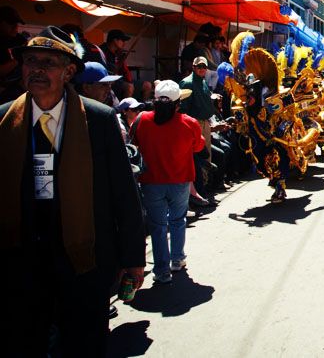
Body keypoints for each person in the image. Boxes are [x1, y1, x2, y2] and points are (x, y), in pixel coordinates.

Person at [0, 26, 145, 356]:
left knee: (84, 344)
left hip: (86, 263)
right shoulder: (4, 121)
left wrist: (133, 258)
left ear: (68, 72)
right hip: (21, 264)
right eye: (30, 61)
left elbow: (124, 194)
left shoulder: (99, 120)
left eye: (48, 63)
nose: (36, 69)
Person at [132, 80, 204, 284]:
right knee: (177, 220)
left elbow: (133, 143)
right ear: (177, 102)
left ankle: (162, 269)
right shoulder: (189, 122)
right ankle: (177, 259)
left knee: (157, 226)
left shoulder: (142, 120)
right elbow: (198, 146)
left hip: (151, 181)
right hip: (180, 179)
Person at [180, 56, 217, 201]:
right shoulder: (187, 83)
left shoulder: (202, 82)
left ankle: (205, 187)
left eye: (204, 66)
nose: (202, 69)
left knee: (206, 155)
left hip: (205, 122)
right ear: (194, 68)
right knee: (198, 158)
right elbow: (183, 107)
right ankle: (198, 191)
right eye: (199, 66)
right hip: (194, 123)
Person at [0, 5, 26, 102]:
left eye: (17, 23)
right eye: (11, 23)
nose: (15, 27)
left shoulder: (20, 39)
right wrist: (19, 58)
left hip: (21, 90)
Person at [100, 29, 134, 99]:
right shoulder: (102, 51)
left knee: (147, 85)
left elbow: (126, 74)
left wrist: (122, 60)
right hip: (106, 81)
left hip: (119, 80)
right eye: (122, 40)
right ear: (115, 40)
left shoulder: (118, 53)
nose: (124, 43)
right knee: (129, 87)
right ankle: (125, 109)